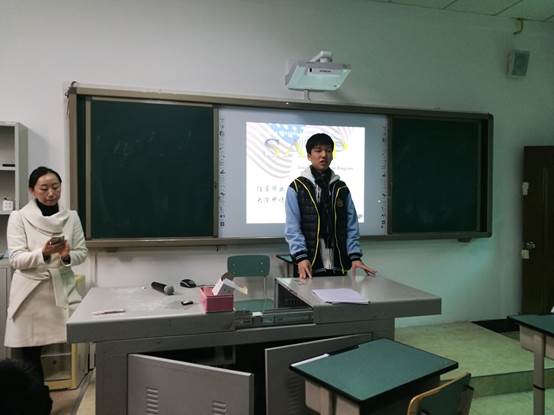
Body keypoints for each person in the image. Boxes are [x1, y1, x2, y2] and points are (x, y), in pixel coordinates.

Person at [4, 166, 87, 384]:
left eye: (55, 187)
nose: (51, 193)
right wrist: (44, 253)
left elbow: (82, 253)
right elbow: (16, 259)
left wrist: (67, 256)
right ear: (32, 190)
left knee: (70, 339)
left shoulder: (71, 217)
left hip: (61, 288)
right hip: (30, 292)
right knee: (30, 356)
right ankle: (38, 399)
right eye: (44, 188)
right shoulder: (19, 217)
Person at [285, 133, 376, 279]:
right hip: (309, 262)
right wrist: (301, 257)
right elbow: (292, 228)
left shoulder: (341, 188)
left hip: (337, 262)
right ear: (309, 156)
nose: (324, 155)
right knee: (309, 294)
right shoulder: (296, 187)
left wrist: (355, 256)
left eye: (328, 151)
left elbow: (351, 226)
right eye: (318, 150)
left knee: (340, 293)